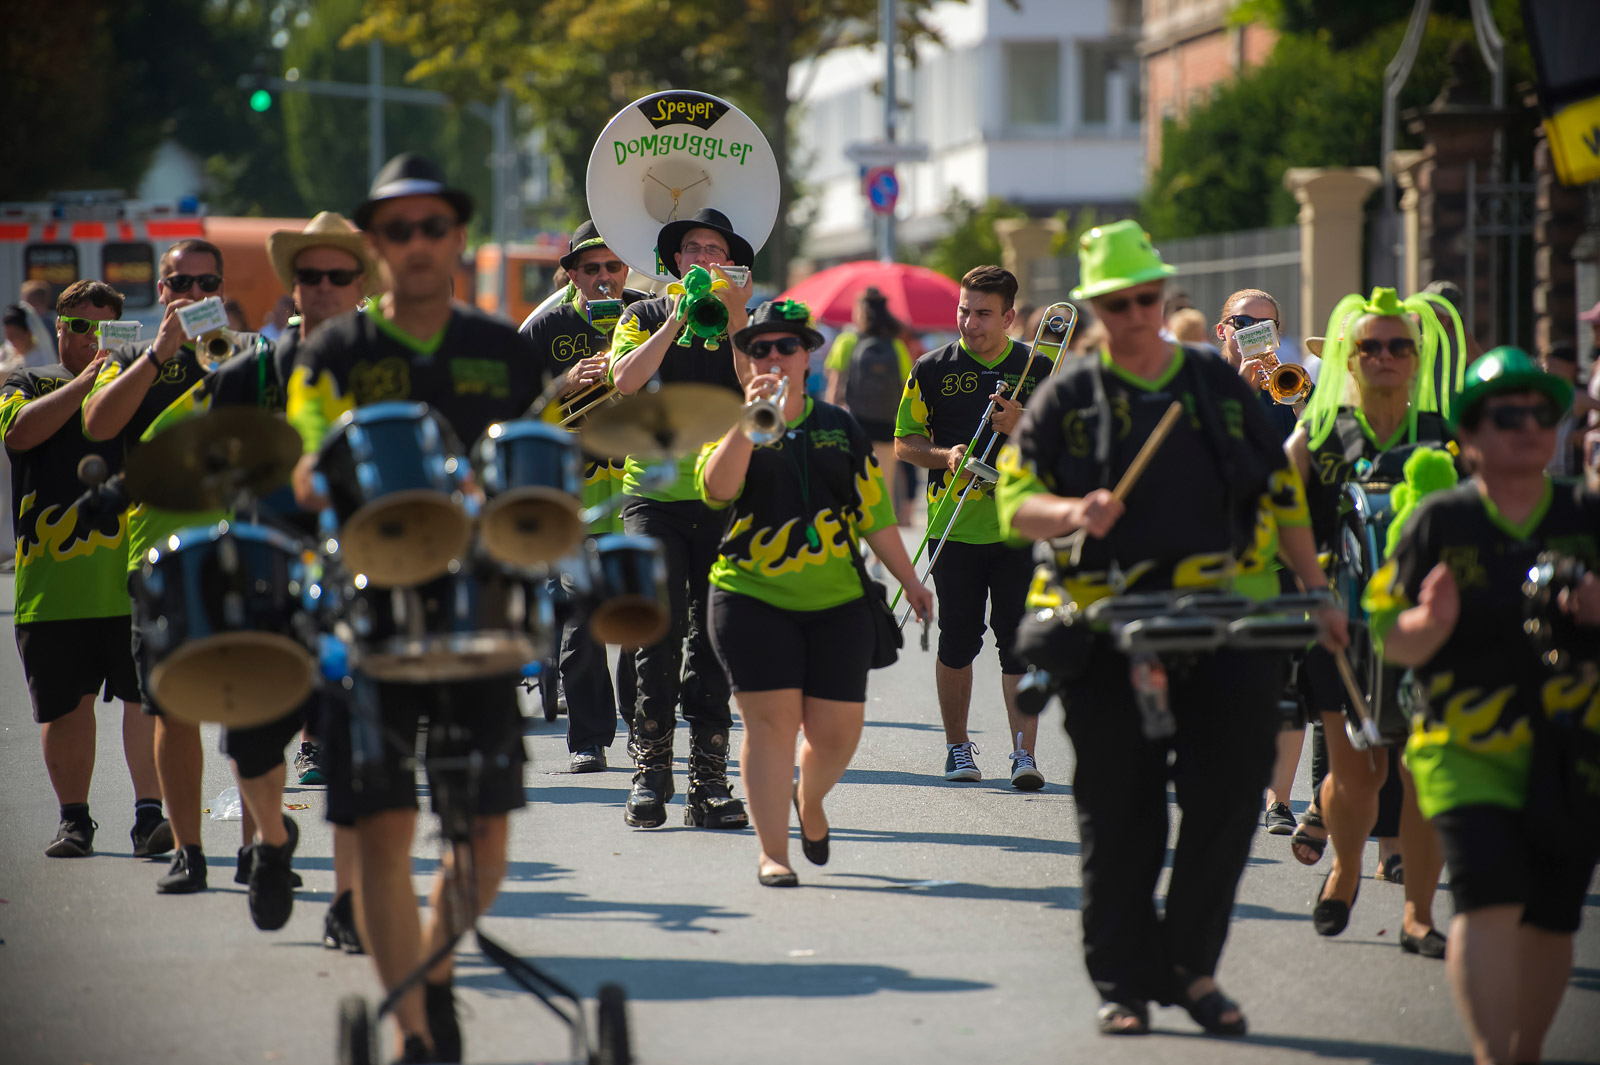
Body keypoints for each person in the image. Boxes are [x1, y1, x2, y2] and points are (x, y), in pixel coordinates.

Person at [995, 220, 1347, 1036]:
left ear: (1161, 296)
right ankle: (1122, 980)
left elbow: (1280, 492)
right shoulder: (1069, 393)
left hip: (1224, 619)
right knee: (1119, 814)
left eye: (1147, 297)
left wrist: (1321, 588)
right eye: (1117, 302)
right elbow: (1017, 500)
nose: (1135, 313)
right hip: (1107, 622)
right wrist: (1074, 509)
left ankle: (1190, 969)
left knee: (1226, 804)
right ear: (1097, 308)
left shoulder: (1213, 384)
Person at [288, 153, 546, 1065]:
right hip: (373, 619)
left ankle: (430, 976)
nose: (418, 243)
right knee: (387, 834)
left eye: (433, 225)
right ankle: (415, 1036)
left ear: (458, 237)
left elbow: (539, 467)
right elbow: (306, 468)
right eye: (397, 229)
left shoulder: (507, 352)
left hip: (480, 614)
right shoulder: (333, 353)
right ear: (377, 244)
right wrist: (335, 478)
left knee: (484, 845)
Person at [137, 211, 374, 937]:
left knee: (355, 746)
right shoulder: (249, 371)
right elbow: (198, 460)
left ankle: (350, 903)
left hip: (360, 569)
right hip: (265, 567)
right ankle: (271, 840)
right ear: (292, 286)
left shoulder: (386, 365)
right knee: (253, 736)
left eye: (339, 276)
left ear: (360, 286)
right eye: (310, 276)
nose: (324, 288)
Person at [1367, 347, 1600, 1065]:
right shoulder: (1441, 520)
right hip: (1464, 747)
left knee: (1552, 920)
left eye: (1541, 413)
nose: (1529, 427)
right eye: (1507, 416)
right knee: (1489, 899)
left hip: (1574, 749)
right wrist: (1426, 626)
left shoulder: (1586, 513)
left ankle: (1525, 1051)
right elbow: (1388, 632)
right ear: (1469, 437)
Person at [697, 299, 933, 886]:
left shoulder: (839, 426)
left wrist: (910, 580)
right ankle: (772, 853)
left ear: (807, 357)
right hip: (750, 595)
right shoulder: (731, 422)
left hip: (837, 601)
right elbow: (716, 489)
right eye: (759, 348)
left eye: (785, 347)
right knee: (770, 725)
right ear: (746, 361)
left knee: (836, 734)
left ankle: (812, 798)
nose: (773, 356)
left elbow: (875, 513)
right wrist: (750, 422)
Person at [81, 237, 262, 895]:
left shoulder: (247, 353)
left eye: (204, 282)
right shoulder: (129, 356)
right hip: (156, 552)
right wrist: (159, 353)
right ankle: (188, 848)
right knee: (172, 706)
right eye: (179, 283)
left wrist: (225, 359)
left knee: (249, 705)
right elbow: (99, 426)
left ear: (219, 286)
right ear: (160, 292)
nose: (191, 295)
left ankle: (255, 845)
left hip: (240, 548)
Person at [1285, 287, 1459, 958]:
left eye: (1399, 346)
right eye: (1370, 347)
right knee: (1359, 776)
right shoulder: (1321, 432)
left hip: (1431, 628)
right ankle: (1346, 866)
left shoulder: (1444, 432)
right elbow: (1277, 507)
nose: (1385, 356)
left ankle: (1418, 912)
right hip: (1342, 625)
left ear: (1417, 357)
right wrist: (1307, 583)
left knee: (1422, 771)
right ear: (1349, 359)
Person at [0, 280, 170, 860]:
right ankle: (75, 820)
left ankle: (150, 817)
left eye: (105, 329)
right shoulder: (29, 381)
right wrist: (87, 380)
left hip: (132, 580)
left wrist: (132, 371)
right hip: (55, 584)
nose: (90, 339)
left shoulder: (138, 385)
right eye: (78, 327)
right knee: (65, 707)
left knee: (145, 702)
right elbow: (21, 433)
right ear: (59, 330)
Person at [608, 207, 756, 831]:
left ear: (730, 261)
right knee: (658, 634)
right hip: (653, 497)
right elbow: (624, 381)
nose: (702, 257)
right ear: (674, 260)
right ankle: (649, 773)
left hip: (722, 498)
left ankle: (710, 782)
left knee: (715, 638)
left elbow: (762, 394)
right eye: (692, 248)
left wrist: (739, 317)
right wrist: (672, 320)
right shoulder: (641, 314)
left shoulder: (743, 320)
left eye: (714, 249)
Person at [893, 265, 1051, 789]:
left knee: (1018, 642)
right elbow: (904, 442)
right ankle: (957, 748)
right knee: (959, 640)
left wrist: (1021, 423)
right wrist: (945, 456)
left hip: (1019, 525)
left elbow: (1069, 446)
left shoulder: (1040, 367)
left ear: (1009, 316)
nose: (969, 322)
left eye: (982, 313)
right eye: (964, 310)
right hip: (954, 525)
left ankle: (1023, 755)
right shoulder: (931, 367)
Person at [519, 219, 645, 774]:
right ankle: (588, 739)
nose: (603, 278)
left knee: (644, 624)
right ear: (570, 273)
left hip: (641, 493)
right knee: (583, 622)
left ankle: (646, 732)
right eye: (590, 268)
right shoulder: (544, 327)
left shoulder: (648, 311)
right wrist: (562, 385)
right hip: (577, 501)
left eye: (613, 267)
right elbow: (512, 414)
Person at [823, 287, 914, 524]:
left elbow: (835, 386)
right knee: (881, 488)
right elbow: (907, 388)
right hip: (886, 424)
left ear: (861, 312)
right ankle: (877, 552)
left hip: (852, 424)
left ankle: (855, 539)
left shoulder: (847, 341)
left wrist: (826, 421)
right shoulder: (895, 345)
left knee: (850, 487)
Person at [20, 280, 59, 356]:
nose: (22, 305)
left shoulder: (43, 325)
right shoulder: (56, 320)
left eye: (25, 301)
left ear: (34, 301)